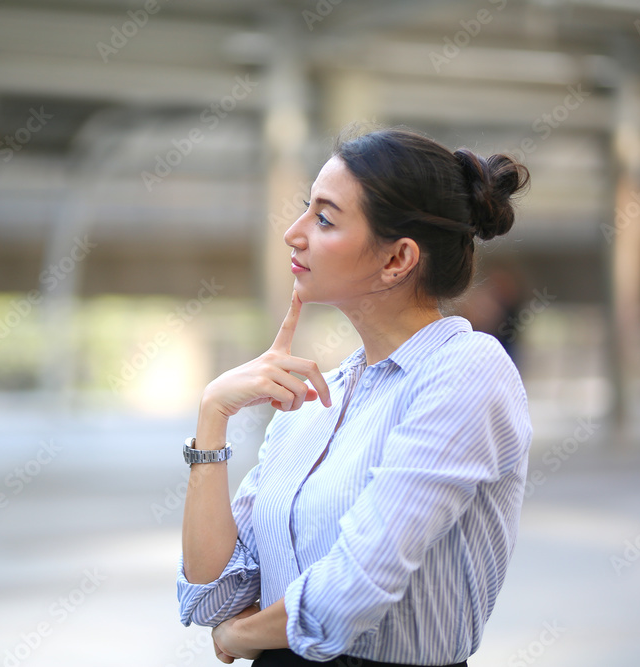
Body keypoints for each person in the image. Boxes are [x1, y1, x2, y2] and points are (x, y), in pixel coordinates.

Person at [177, 127, 532, 666]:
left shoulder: (466, 370)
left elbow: (350, 592)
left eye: (324, 218)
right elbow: (213, 596)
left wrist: (238, 639)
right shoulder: (319, 398)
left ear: (397, 260)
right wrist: (213, 415)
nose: (293, 234)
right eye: (305, 210)